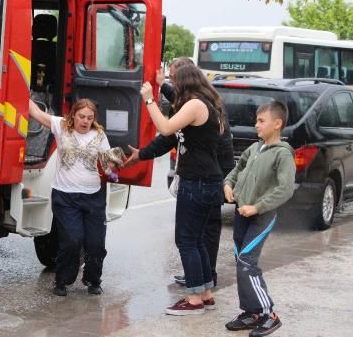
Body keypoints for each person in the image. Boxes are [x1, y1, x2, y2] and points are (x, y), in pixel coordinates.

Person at [125, 57, 234, 289]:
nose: (173, 86)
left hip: (199, 181)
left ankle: (195, 297)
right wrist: (142, 154)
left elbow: (165, 128)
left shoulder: (195, 106)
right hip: (202, 180)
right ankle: (205, 293)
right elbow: (170, 138)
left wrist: (149, 100)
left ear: (185, 83)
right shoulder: (201, 104)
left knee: (187, 240)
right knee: (196, 240)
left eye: (175, 82)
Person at [28, 98, 118, 297]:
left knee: (96, 244)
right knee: (72, 240)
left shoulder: (99, 135)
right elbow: (35, 113)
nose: (85, 121)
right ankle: (63, 280)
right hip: (65, 197)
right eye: (81, 116)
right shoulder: (61, 126)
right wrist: (21, 88)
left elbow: (108, 162)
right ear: (73, 115)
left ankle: (93, 279)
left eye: (89, 118)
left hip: (93, 198)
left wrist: (114, 168)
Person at [223, 101, 295, 336]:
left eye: (261, 121)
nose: (256, 125)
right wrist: (228, 184)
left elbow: (285, 189)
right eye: (256, 120)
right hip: (241, 214)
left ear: (277, 123)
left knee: (246, 263)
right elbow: (237, 168)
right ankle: (251, 312)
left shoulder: (282, 154)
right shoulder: (255, 148)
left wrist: (258, 207)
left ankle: (268, 314)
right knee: (241, 262)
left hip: (261, 217)